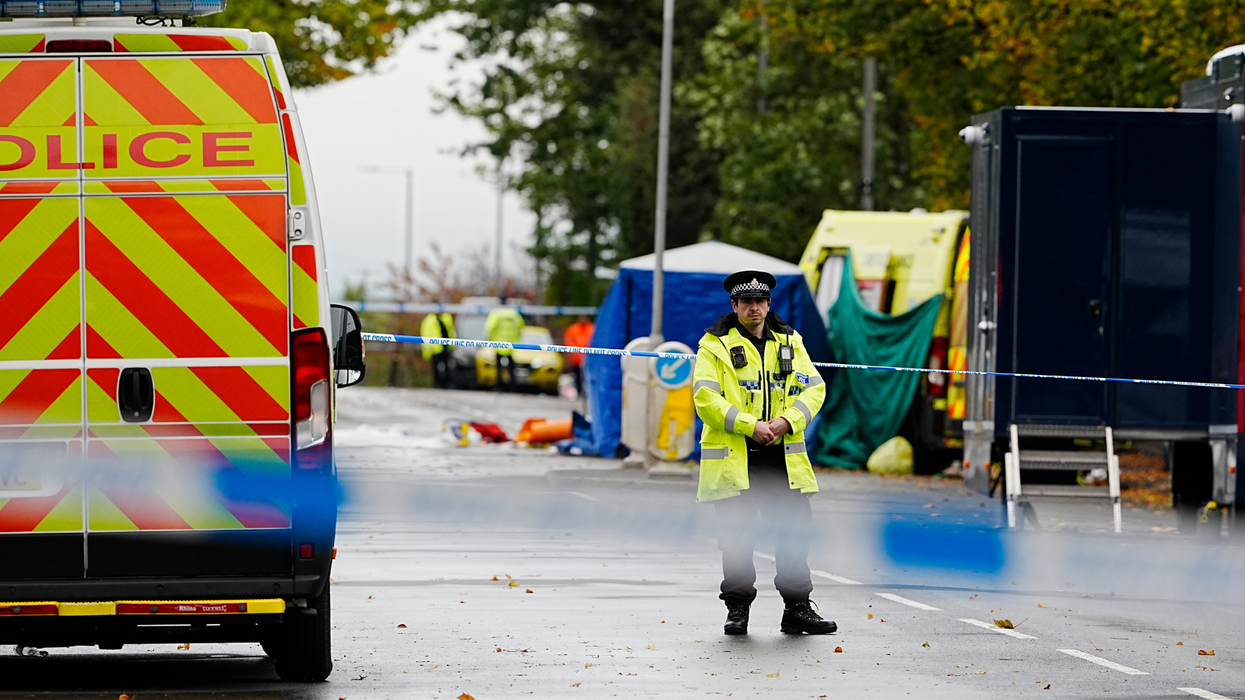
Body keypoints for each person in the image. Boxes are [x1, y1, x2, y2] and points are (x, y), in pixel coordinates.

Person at [692, 269, 833, 636]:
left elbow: (814, 389)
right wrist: (750, 425)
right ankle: (737, 611)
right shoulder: (714, 346)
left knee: (794, 532)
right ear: (734, 305)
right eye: (747, 302)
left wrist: (786, 422)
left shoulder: (790, 342)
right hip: (736, 458)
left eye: (760, 301)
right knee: (737, 536)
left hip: (782, 458)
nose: (754, 308)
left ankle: (797, 609)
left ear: (769, 304)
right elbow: (705, 399)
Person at [484, 304, 525, 391]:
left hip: (499, 344)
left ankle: (500, 385)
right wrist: (517, 338)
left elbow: (490, 327)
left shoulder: (496, 313)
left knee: (499, 367)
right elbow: (521, 326)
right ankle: (512, 386)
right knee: (511, 367)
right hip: (510, 344)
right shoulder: (514, 314)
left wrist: (491, 339)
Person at [420, 311, 457, 389]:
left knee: (448, 366)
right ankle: (438, 384)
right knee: (436, 368)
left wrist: (452, 345)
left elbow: (451, 331)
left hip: (446, 347)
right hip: (435, 349)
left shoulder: (447, 317)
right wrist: (428, 351)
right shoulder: (429, 321)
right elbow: (426, 336)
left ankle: (448, 383)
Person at [562, 315, 595, 394]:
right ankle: (579, 391)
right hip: (576, 359)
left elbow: (595, 342)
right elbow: (568, 342)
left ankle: (588, 392)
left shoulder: (592, 328)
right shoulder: (573, 329)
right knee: (577, 376)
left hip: (589, 359)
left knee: (589, 376)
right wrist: (574, 354)